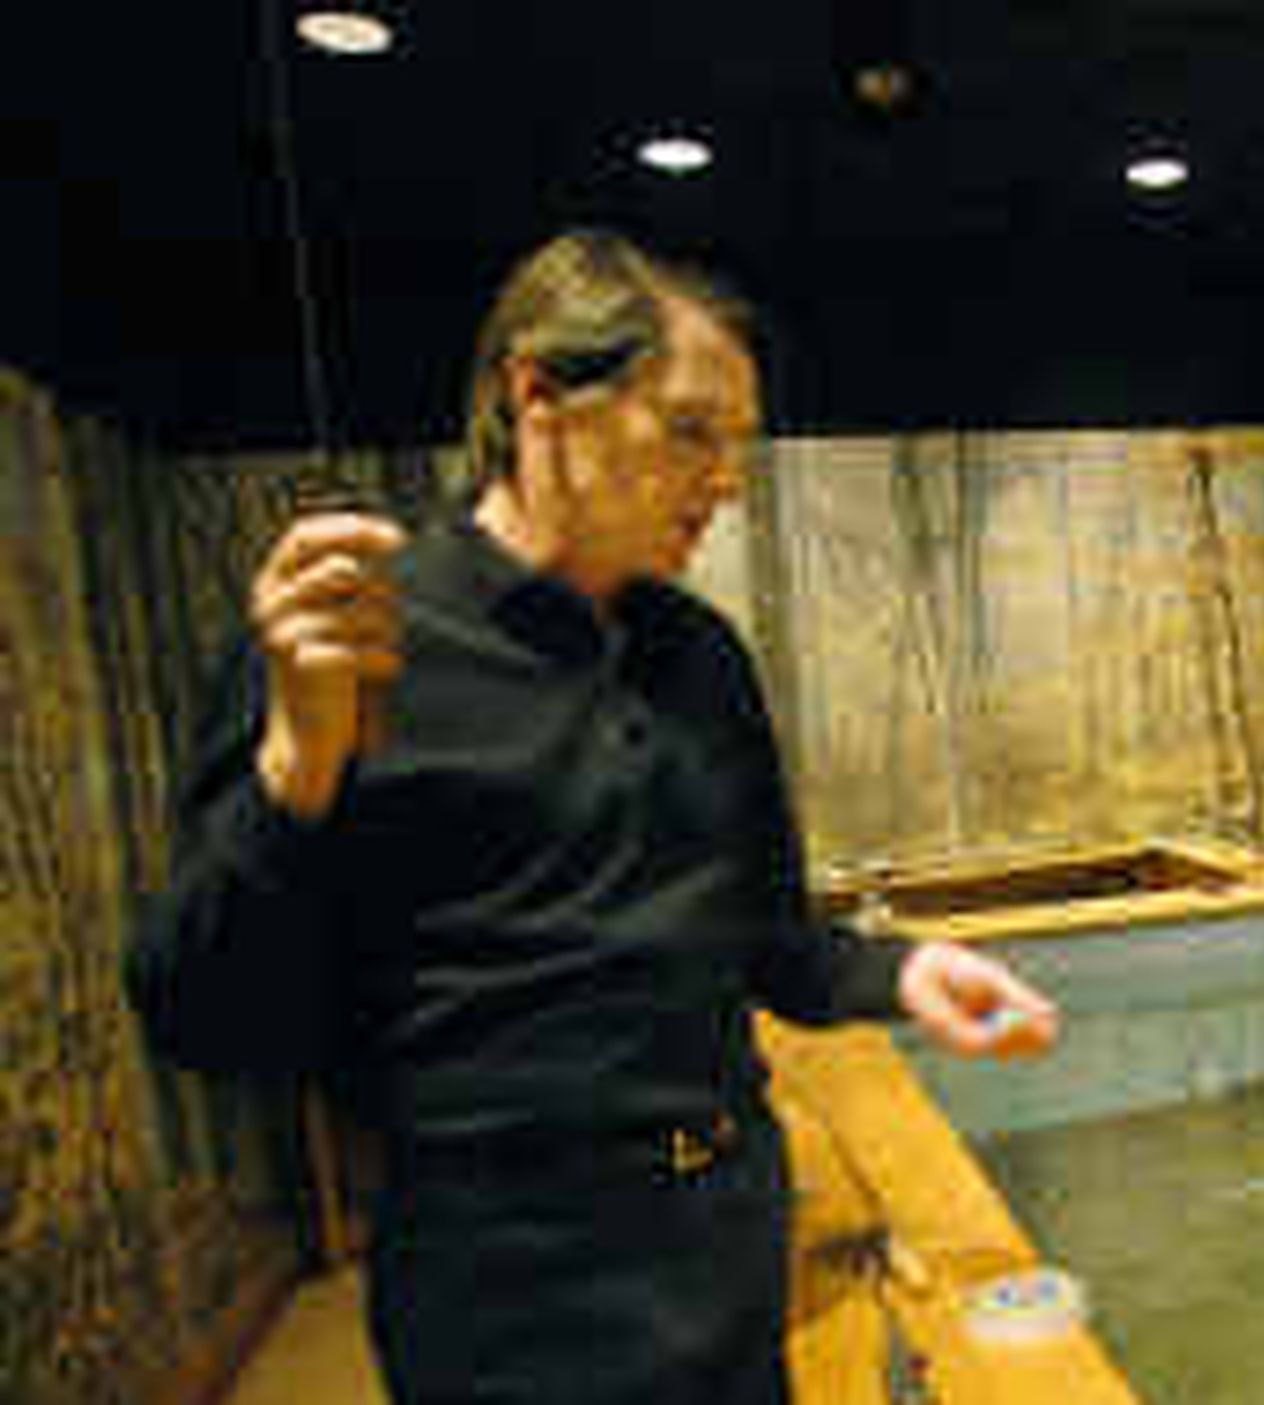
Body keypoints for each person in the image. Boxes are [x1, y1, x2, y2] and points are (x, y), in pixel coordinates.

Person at [124, 229, 1059, 1404]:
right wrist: (294, 763)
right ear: (538, 397)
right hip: (510, 1298)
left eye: (737, 445)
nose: (726, 479)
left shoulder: (702, 659)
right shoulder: (351, 642)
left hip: (726, 1242)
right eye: (690, 430)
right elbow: (201, 1017)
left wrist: (902, 971)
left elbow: (765, 939)